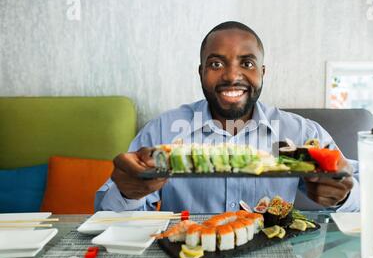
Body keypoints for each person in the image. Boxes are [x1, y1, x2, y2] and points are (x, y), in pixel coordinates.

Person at [95, 21, 359, 213]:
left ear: (262, 72)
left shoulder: (303, 135)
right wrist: (127, 194)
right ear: (200, 72)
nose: (232, 76)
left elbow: (363, 200)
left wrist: (342, 196)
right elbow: (106, 216)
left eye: (247, 63)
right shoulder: (163, 130)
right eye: (216, 64)